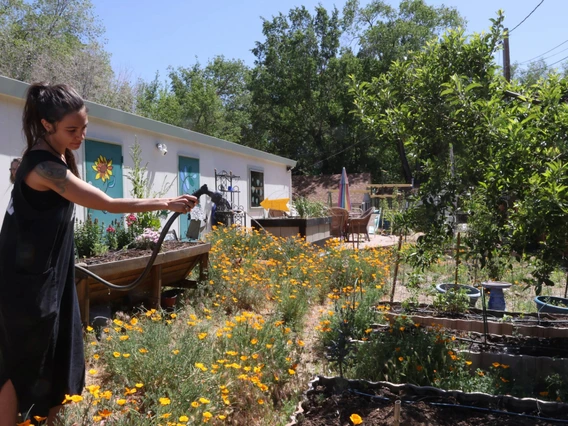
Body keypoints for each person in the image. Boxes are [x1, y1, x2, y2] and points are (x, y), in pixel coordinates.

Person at [0, 83, 197, 424]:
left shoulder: (53, 154)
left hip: (45, 274)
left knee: (59, 356)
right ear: (47, 125)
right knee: (18, 363)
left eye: (83, 127)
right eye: (71, 130)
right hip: (24, 283)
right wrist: (166, 202)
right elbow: (105, 203)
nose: (79, 136)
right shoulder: (44, 168)